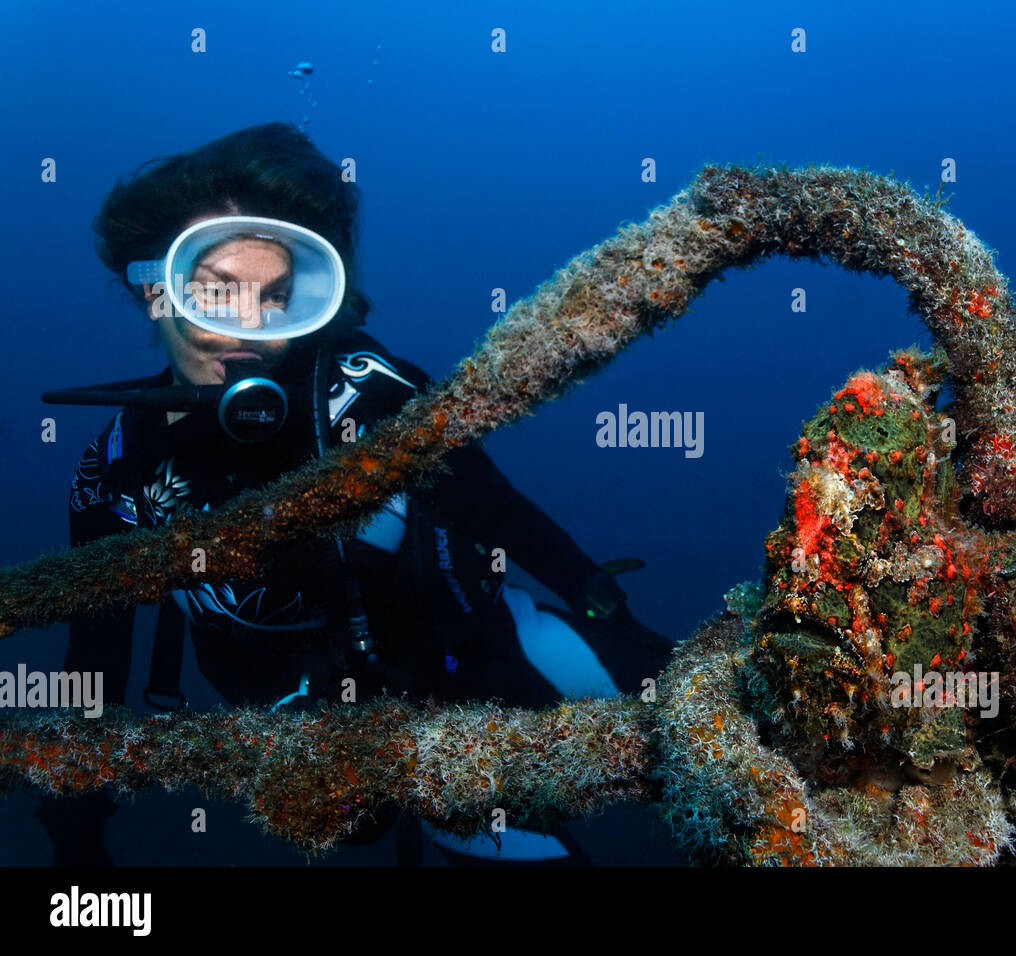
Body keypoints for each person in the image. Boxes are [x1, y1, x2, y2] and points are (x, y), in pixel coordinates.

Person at [35, 122, 673, 866]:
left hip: (498, 640)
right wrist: (78, 828)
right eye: (214, 293)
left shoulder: (366, 397)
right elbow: (97, 654)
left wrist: (596, 592)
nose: (249, 328)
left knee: (728, 726)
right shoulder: (114, 473)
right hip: (378, 742)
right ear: (155, 292)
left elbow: (495, 507)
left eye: (277, 299)